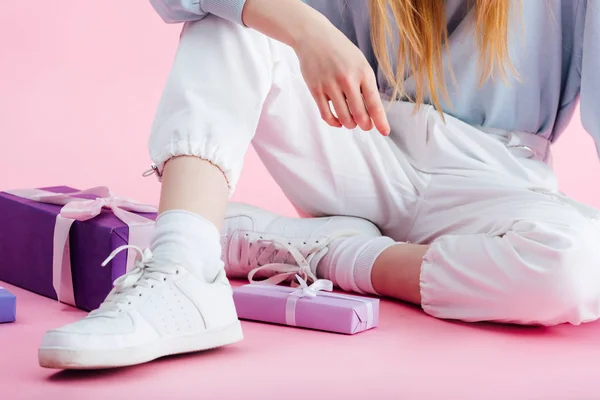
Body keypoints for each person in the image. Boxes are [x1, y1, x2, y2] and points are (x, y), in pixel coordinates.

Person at [38, 0, 600, 370]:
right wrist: (306, 30)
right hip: (360, 136)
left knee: (579, 266)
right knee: (227, 22)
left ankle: (335, 252)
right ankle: (184, 271)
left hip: (495, 180)